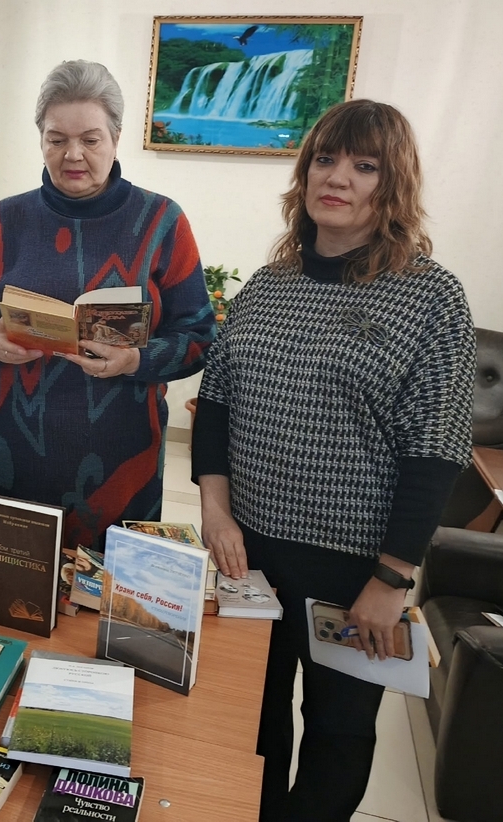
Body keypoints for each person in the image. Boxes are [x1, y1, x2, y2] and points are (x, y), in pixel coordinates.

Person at [191, 99, 475, 821]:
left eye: (364, 165)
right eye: (325, 159)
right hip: (247, 556)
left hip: (354, 571)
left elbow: (435, 450)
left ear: (393, 184)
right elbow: (216, 403)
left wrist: (392, 579)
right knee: (250, 719)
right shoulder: (269, 285)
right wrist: (215, 510)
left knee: (338, 733)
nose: (338, 177)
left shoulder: (430, 296)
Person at [0, 60, 214, 550]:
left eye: (90, 139)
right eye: (56, 139)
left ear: (116, 138)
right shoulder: (3, 221)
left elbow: (199, 337)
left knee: (105, 592)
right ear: (41, 139)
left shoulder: (161, 222)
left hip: (122, 458)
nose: (73, 155)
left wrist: (135, 359)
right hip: (8, 452)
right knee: (5, 580)